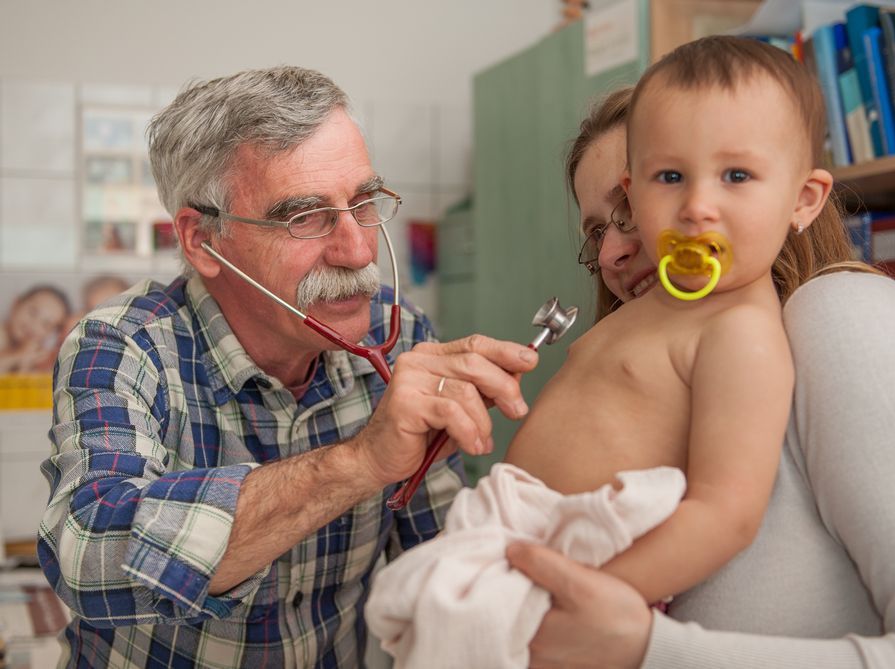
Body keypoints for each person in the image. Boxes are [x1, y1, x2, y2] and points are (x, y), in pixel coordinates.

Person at [366, 35, 847, 666]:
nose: (698, 206)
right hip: (507, 545)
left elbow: (725, 514)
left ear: (803, 201)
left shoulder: (742, 332)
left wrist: (589, 600)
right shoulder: (657, 311)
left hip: (577, 583)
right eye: (669, 179)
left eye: (736, 175)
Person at [37, 66, 538, 668]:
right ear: (203, 241)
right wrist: (357, 462)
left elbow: (444, 556)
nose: (357, 251)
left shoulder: (399, 340)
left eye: (362, 204)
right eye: (304, 217)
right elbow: (88, 556)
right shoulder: (123, 346)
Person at [507, 41, 895, 668]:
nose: (610, 252)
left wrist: (649, 649)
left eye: (627, 213)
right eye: (596, 231)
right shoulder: (658, 370)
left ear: (798, 198)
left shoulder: (834, 316)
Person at [0, 284, 70, 374]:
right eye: (33, 313)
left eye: (46, 325)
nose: (35, 325)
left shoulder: (37, 354)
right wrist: (18, 356)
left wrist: (25, 365)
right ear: (16, 303)